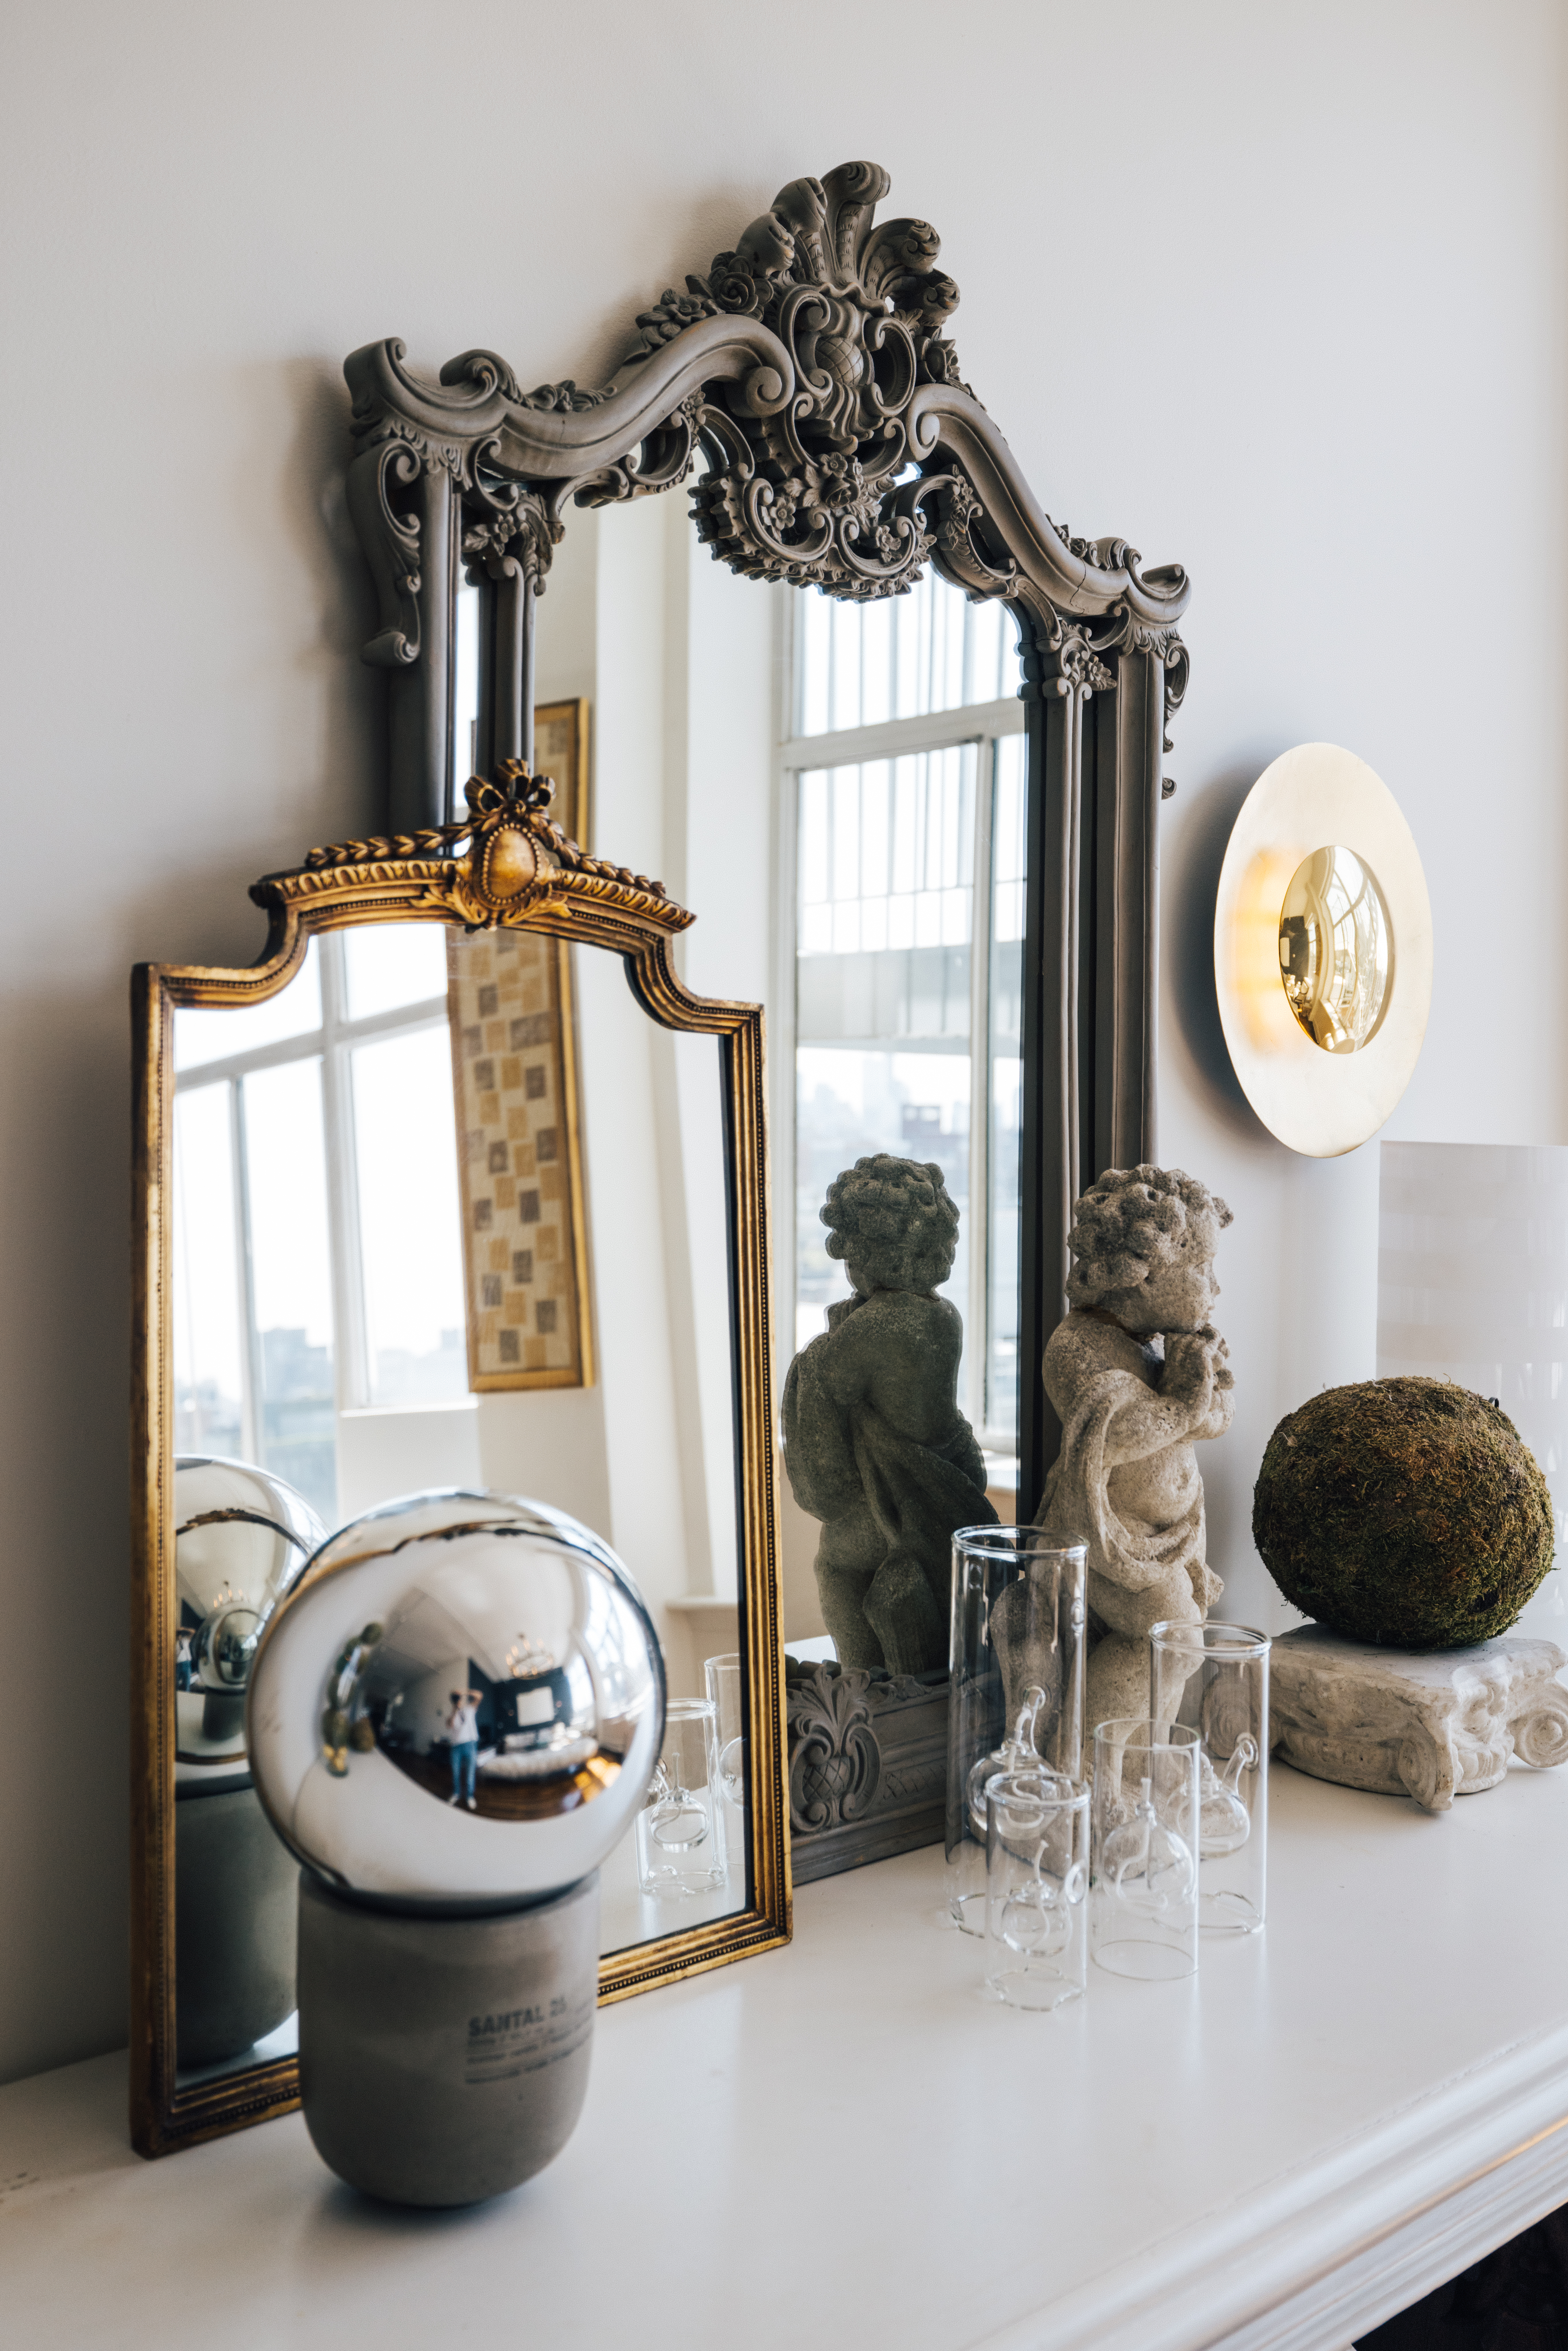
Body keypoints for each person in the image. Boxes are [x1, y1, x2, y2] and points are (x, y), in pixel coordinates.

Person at [444, 1686, 482, 1809]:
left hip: (470, 1744)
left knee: (470, 1774)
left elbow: (479, 1696)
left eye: (458, 1697)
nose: (458, 1699)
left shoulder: (470, 1709)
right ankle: (457, 1794)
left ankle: (470, 1796)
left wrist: (464, 1693)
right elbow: (449, 1725)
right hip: (456, 1747)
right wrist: (455, 1709)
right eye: (455, 1698)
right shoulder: (452, 1715)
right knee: (456, 1773)